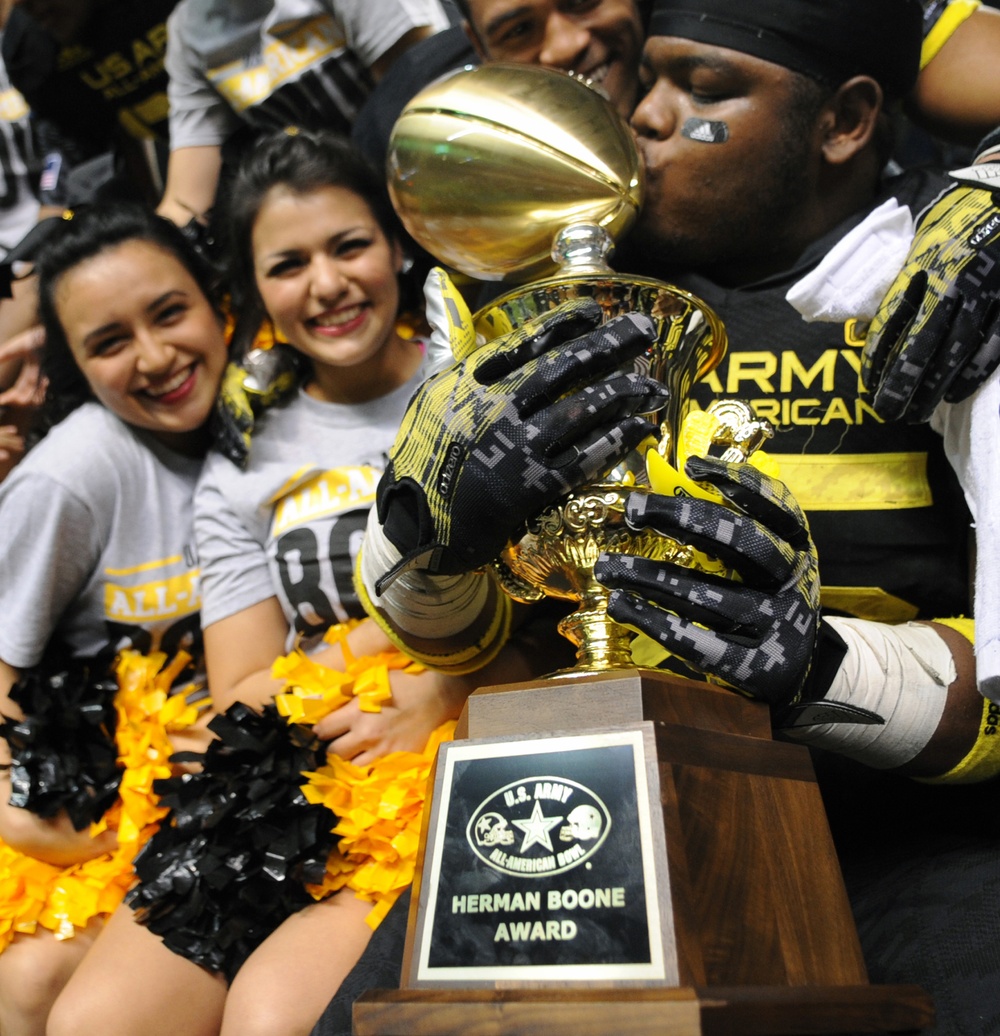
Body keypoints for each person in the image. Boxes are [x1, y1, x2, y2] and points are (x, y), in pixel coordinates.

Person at [330, 1, 999, 1033]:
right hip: (590, 817)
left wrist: (820, 667)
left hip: (900, 830)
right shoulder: (552, 270)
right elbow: (452, 638)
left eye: (704, 88)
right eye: (647, 75)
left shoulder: (948, 277)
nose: (642, 116)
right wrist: (428, 525)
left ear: (845, 120)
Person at [48, 128, 662, 1036]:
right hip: (302, 779)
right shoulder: (242, 461)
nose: (326, 285)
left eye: (348, 246)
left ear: (397, 245)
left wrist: (448, 683)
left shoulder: (486, 388)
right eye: (287, 264)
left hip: (473, 752)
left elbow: (569, 603)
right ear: (252, 294)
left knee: (270, 1019)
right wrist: (395, 635)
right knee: (92, 1024)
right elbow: (246, 689)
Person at [0, 203, 228, 1036]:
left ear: (217, 301)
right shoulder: (70, 475)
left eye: (169, 313)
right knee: (28, 982)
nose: (157, 356)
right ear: (78, 371)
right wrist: (30, 825)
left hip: (225, 800)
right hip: (101, 817)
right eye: (109, 342)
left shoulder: (263, 418)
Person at [156, 0, 450, 232]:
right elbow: (184, 203)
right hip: (331, 211)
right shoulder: (189, 28)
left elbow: (419, 108)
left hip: (428, 175)